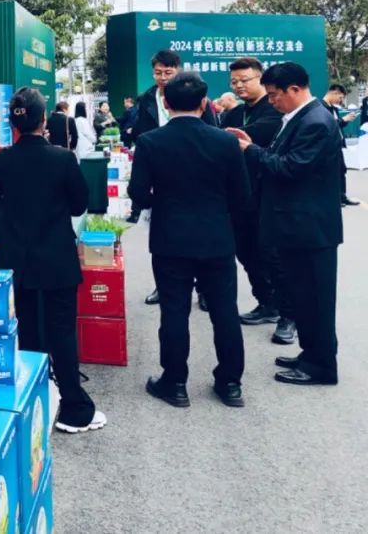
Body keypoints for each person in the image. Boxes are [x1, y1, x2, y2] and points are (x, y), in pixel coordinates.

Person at [128, 72, 250, 408]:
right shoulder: (225, 142)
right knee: (225, 311)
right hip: (216, 237)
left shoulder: (150, 142)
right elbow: (242, 196)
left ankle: (175, 382)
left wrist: (163, 201)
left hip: (171, 238)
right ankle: (230, 384)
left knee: (174, 311)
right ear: (204, 103)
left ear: (166, 103)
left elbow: (138, 193)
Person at [0, 87, 106, 433]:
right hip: (56, 256)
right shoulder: (62, 158)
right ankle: (74, 407)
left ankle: (36, 400)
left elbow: (1, 196)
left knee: (27, 331)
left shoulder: (2, 160)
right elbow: (79, 204)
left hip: (15, 257)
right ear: (44, 119)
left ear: (13, 122)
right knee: (62, 331)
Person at [227, 62, 344, 386]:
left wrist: (250, 151)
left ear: (295, 89)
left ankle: (322, 366)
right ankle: (310, 355)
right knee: (303, 297)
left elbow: (290, 168)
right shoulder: (299, 117)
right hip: (297, 227)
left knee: (316, 301)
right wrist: (253, 146)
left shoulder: (315, 121)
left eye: (275, 94)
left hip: (311, 230)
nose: (272, 100)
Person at [129, 49, 217, 307]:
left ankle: (204, 288)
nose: (163, 77)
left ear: (178, 70)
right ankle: (164, 285)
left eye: (168, 72)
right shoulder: (147, 99)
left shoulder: (198, 96)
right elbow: (141, 132)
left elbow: (211, 130)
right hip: (161, 168)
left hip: (196, 171)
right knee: (162, 234)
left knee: (199, 233)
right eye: (158, 72)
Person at [222, 58, 294, 343]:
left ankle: (289, 316)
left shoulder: (275, 111)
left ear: (260, 79)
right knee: (247, 253)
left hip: (269, 196)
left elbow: (256, 135)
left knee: (273, 257)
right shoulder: (235, 113)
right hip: (240, 196)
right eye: (234, 81)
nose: (239, 85)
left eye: (245, 80)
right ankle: (266, 302)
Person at [323, 84, 359, 206]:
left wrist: (345, 121)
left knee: (341, 170)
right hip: (328, 146)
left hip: (337, 145)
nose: (341, 101)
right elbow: (327, 126)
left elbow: (336, 126)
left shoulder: (334, 108)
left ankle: (342, 196)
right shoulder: (321, 108)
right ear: (334, 93)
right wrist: (343, 120)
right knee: (331, 173)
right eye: (340, 97)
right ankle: (334, 199)